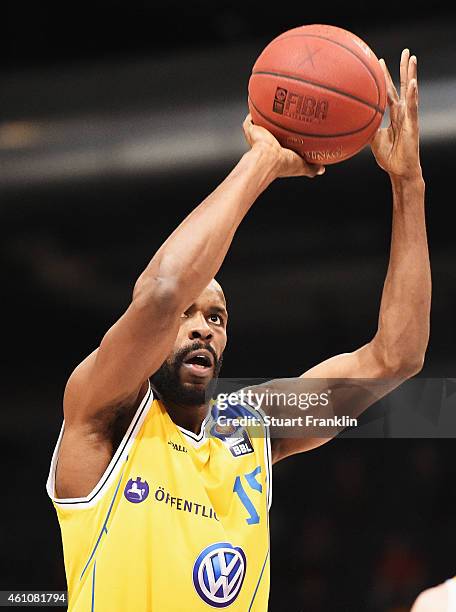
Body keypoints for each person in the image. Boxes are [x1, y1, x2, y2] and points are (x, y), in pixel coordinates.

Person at [46, 49, 430, 611]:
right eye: (189, 315)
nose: (202, 328)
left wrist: (408, 183)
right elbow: (161, 291)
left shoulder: (252, 428)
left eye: (217, 317)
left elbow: (397, 357)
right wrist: (263, 162)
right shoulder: (102, 413)